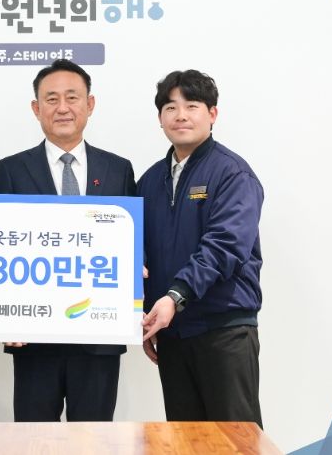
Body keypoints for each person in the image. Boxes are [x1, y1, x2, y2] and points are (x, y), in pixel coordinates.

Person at [0, 59, 136, 421]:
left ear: (90, 104)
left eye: (72, 97)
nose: (62, 108)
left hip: (100, 337)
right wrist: (4, 317)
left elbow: (133, 242)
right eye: (51, 99)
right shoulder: (11, 170)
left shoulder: (118, 169)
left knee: (95, 440)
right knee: (33, 439)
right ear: (36, 108)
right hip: (34, 337)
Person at [139, 69, 264, 427]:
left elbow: (225, 246)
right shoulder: (150, 181)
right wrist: (145, 316)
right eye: (170, 107)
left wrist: (175, 296)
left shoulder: (232, 173)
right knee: (186, 441)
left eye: (191, 106)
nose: (180, 115)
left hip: (223, 331)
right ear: (160, 118)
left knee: (236, 441)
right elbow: (139, 253)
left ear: (212, 114)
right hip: (173, 333)